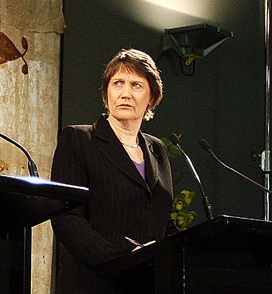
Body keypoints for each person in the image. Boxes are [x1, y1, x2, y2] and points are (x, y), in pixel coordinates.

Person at [50, 48, 178, 293]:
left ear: (152, 96)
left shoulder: (158, 149)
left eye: (136, 85)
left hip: (147, 284)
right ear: (106, 92)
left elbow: (163, 220)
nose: (126, 93)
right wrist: (121, 262)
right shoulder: (79, 138)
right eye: (118, 83)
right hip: (95, 282)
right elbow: (66, 219)